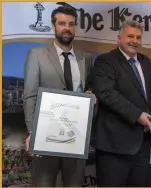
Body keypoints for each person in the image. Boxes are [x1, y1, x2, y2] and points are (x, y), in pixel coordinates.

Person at [23, 6, 94, 186]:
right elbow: (30, 96)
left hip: (76, 138)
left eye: (71, 24)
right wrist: (33, 132)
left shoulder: (85, 58)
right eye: (62, 23)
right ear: (53, 25)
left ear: (75, 26)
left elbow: (88, 93)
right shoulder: (36, 55)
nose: (67, 28)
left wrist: (93, 100)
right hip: (45, 137)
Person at [92, 20, 151, 187]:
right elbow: (106, 93)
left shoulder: (147, 63)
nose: (135, 41)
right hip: (114, 148)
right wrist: (137, 115)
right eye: (130, 36)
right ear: (119, 38)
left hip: (143, 145)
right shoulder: (105, 61)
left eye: (138, 37)